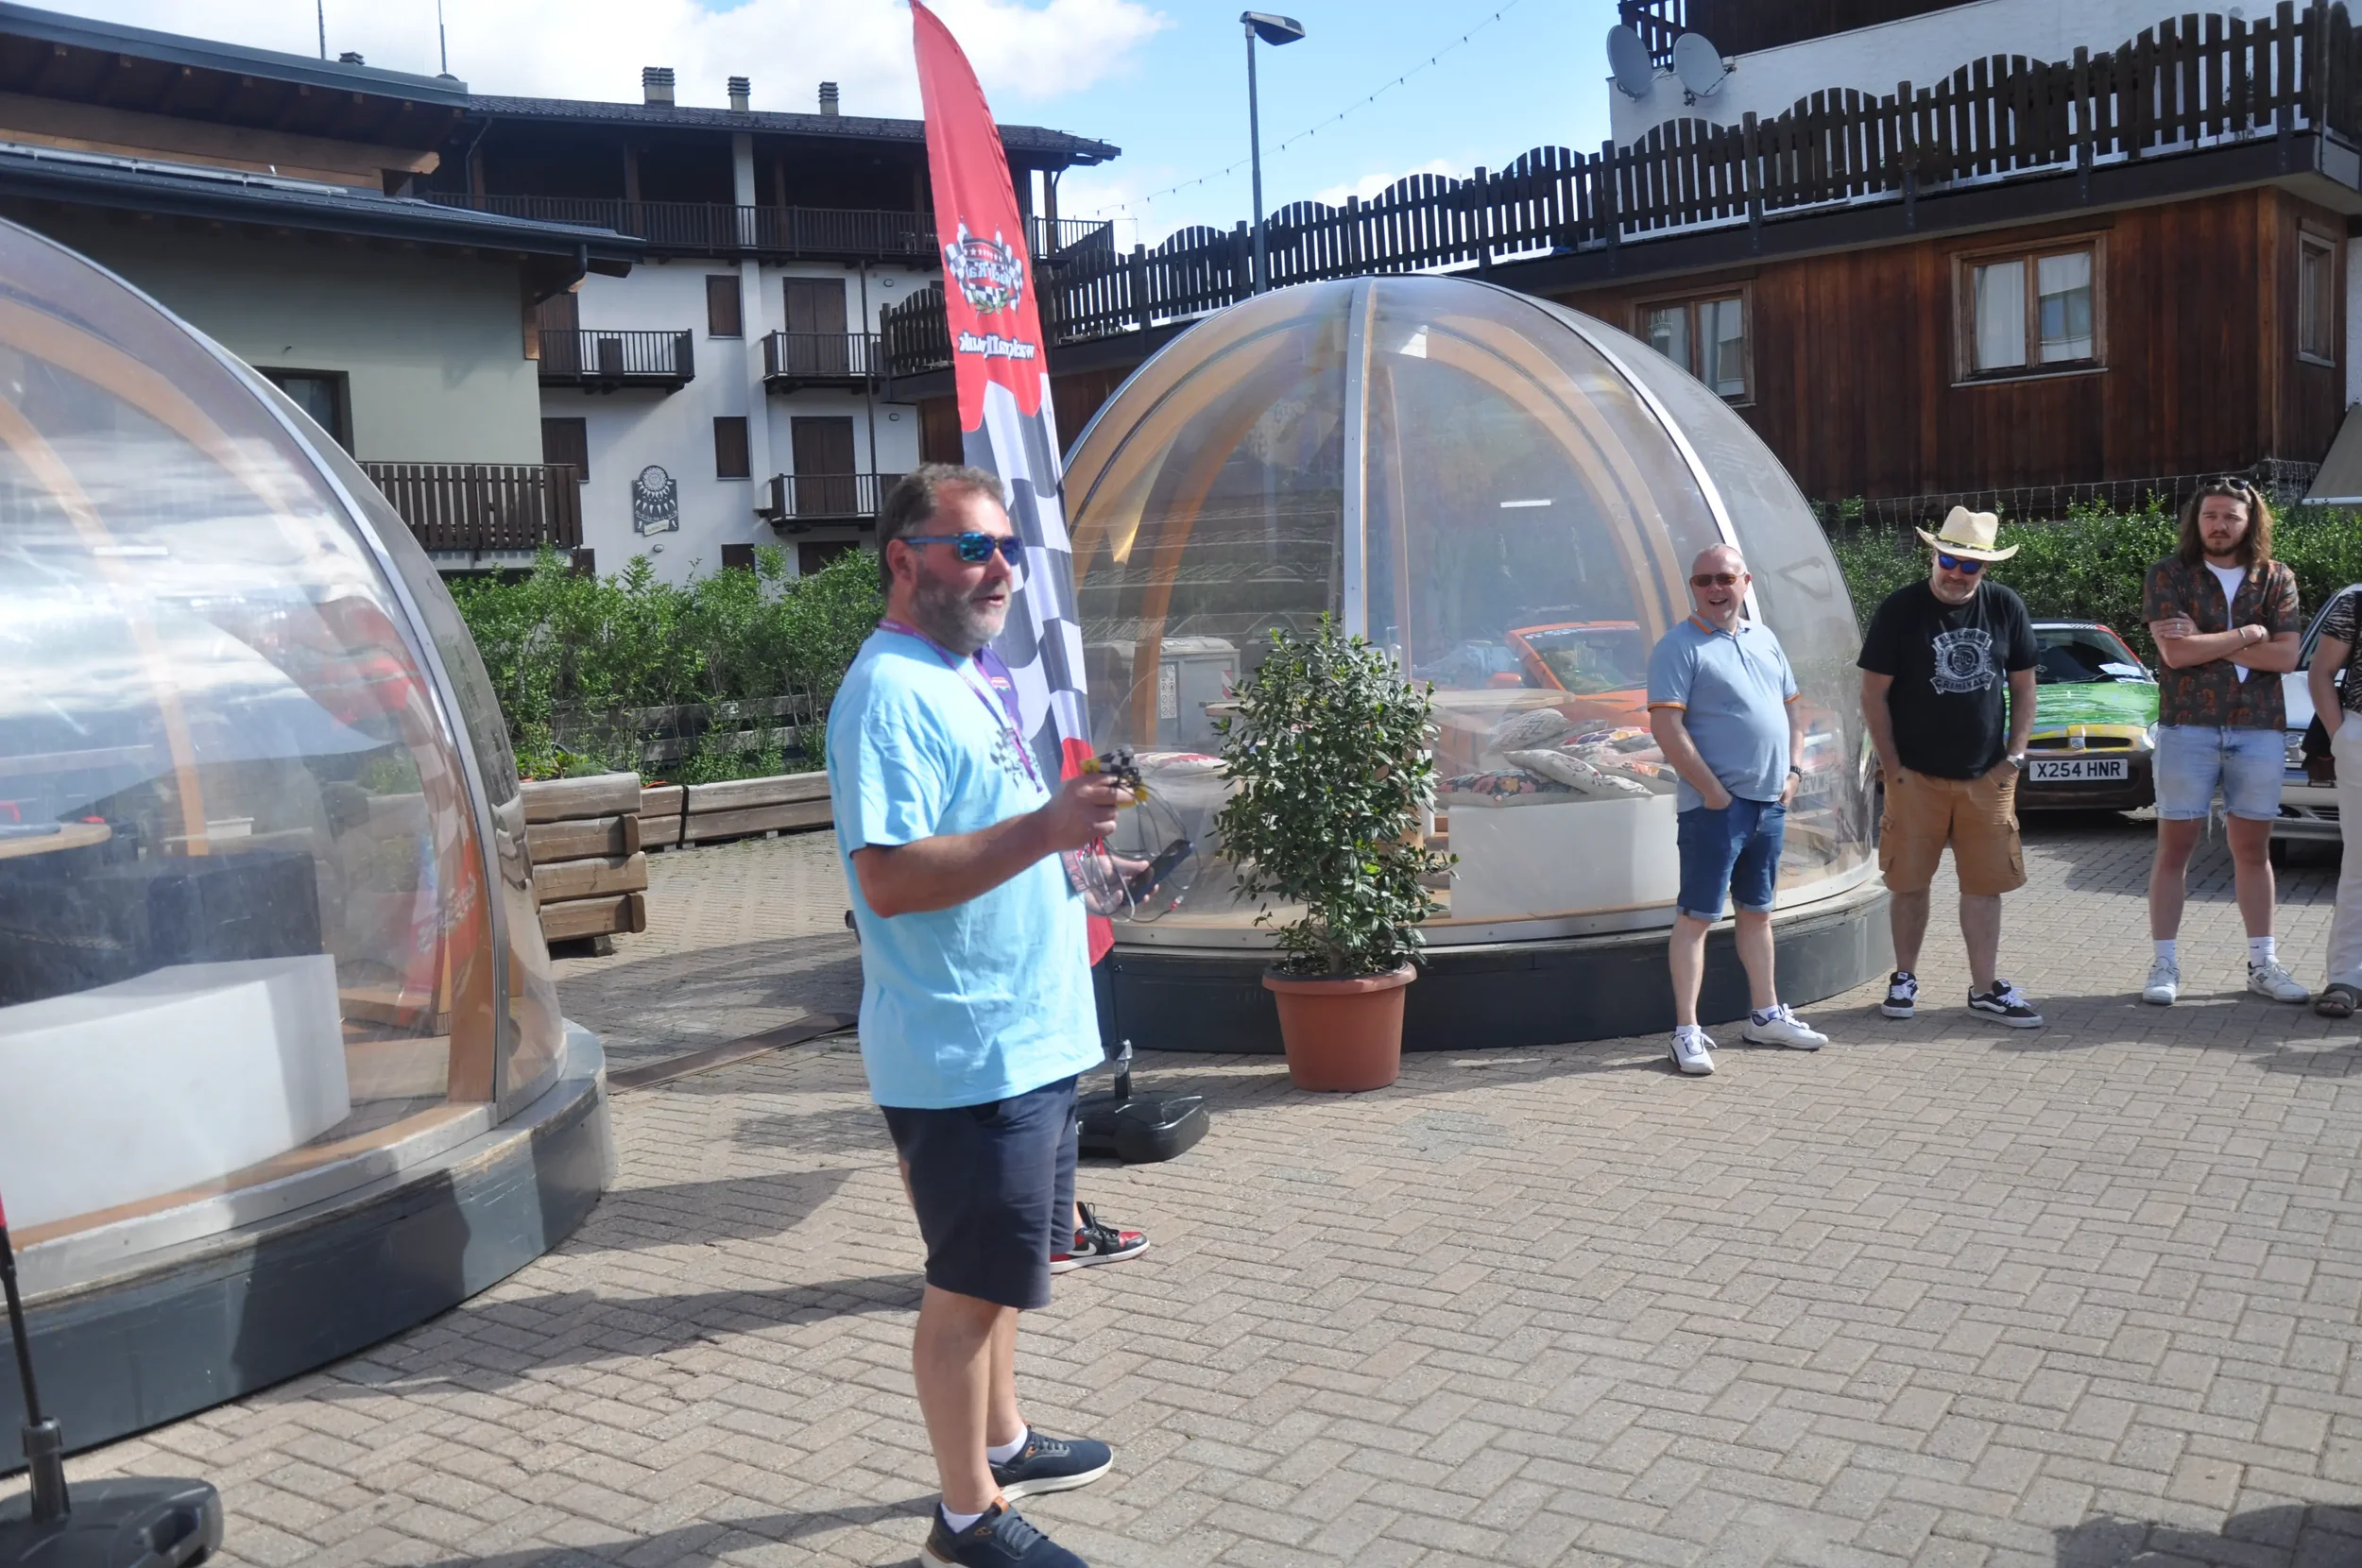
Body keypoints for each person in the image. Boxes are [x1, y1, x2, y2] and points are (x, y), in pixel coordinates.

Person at [829, 463, 1129, 1568]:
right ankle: (966, 1516)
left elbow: (993, 834)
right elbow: (891, 877)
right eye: (971, 547)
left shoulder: (964, 673)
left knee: (1002, 1276)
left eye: (1008, 548)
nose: (999, 568)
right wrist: (1047, 828)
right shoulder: (889, 692)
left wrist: (1081, 857)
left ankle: (1003, 1438)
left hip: (1028, 1039)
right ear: (903, 560)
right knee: (963, 1292)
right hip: (969, 1052)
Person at [1646, 544, 1829, 1076]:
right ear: (1693, 587)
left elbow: (1794, 710)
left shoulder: (1763, 638)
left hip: (1769, 804)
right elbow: (1666, 727)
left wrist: (1793, 774)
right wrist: (1713, 792)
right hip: (1714, 810)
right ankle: (1686, 1031)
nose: (1714, 589)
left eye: (1724, 578)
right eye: (1703, 580)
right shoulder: (1678, 647)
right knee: (1696, 918)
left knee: (1757, 912)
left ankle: (1766, 1015)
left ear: (1745, 582)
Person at [1857, 507, 2045, 1027]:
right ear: (1933, 556)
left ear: (1985, 568)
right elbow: (1873, 694)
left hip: (1987, 776)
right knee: (1908, 882)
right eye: (1949, 560)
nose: (1957, 574)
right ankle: (1904, 978)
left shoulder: (2004, 605)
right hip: (1914, 775)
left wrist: (2014, 758)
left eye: (1970, 566)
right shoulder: (1901, 608)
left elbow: (2025, 687)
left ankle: (1984, 988)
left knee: (1985, 885)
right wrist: (1892, 766)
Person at [2139, 478, 2306, 1006]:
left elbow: (2287, 658)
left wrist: (2206, 641)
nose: (2219, 525)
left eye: (2231, 517)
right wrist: (2250, 634)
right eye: (2210, 515)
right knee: (2175, 848)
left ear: (2250, 522)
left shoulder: (2276, 577)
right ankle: (2164, 963)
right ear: (2197, 520)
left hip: (2259, 728)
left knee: (2252, 851)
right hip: (2187, 725)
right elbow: (2175, 655)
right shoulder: (2169, 574)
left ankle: (2263, 963)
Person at [2307, 585, 2362, 1017]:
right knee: (2360, 864)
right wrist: (2339, 733)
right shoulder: (2356, 603)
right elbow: (2321, 671)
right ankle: (2347, 976)